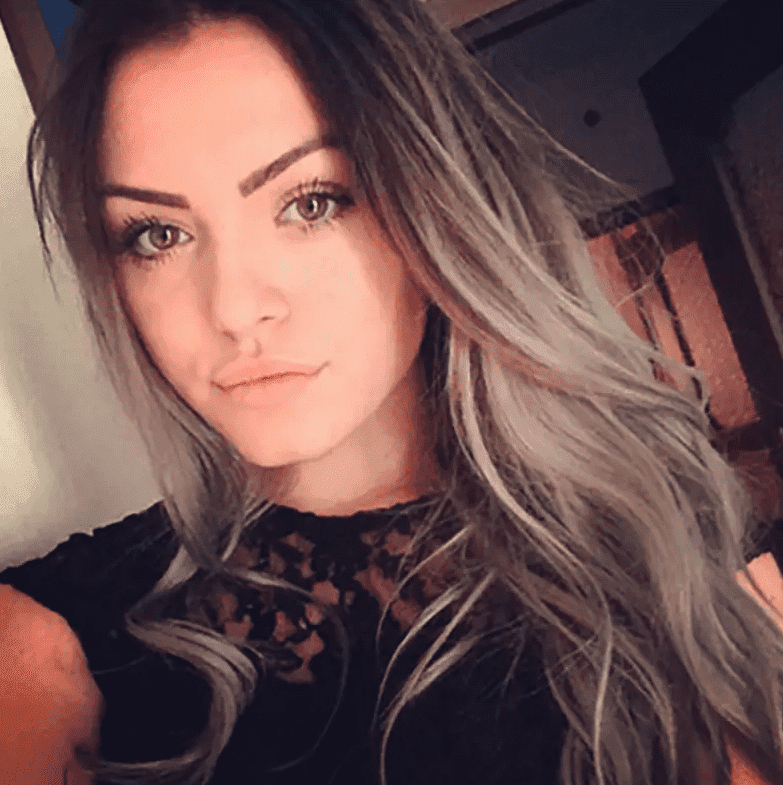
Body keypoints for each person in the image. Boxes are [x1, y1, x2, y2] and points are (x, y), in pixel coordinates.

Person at [1, 0, 783, 783]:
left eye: (310, 202)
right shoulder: (49, 642)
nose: (234, 309)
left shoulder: (664, 530)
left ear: (438, 200)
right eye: (158, 234)